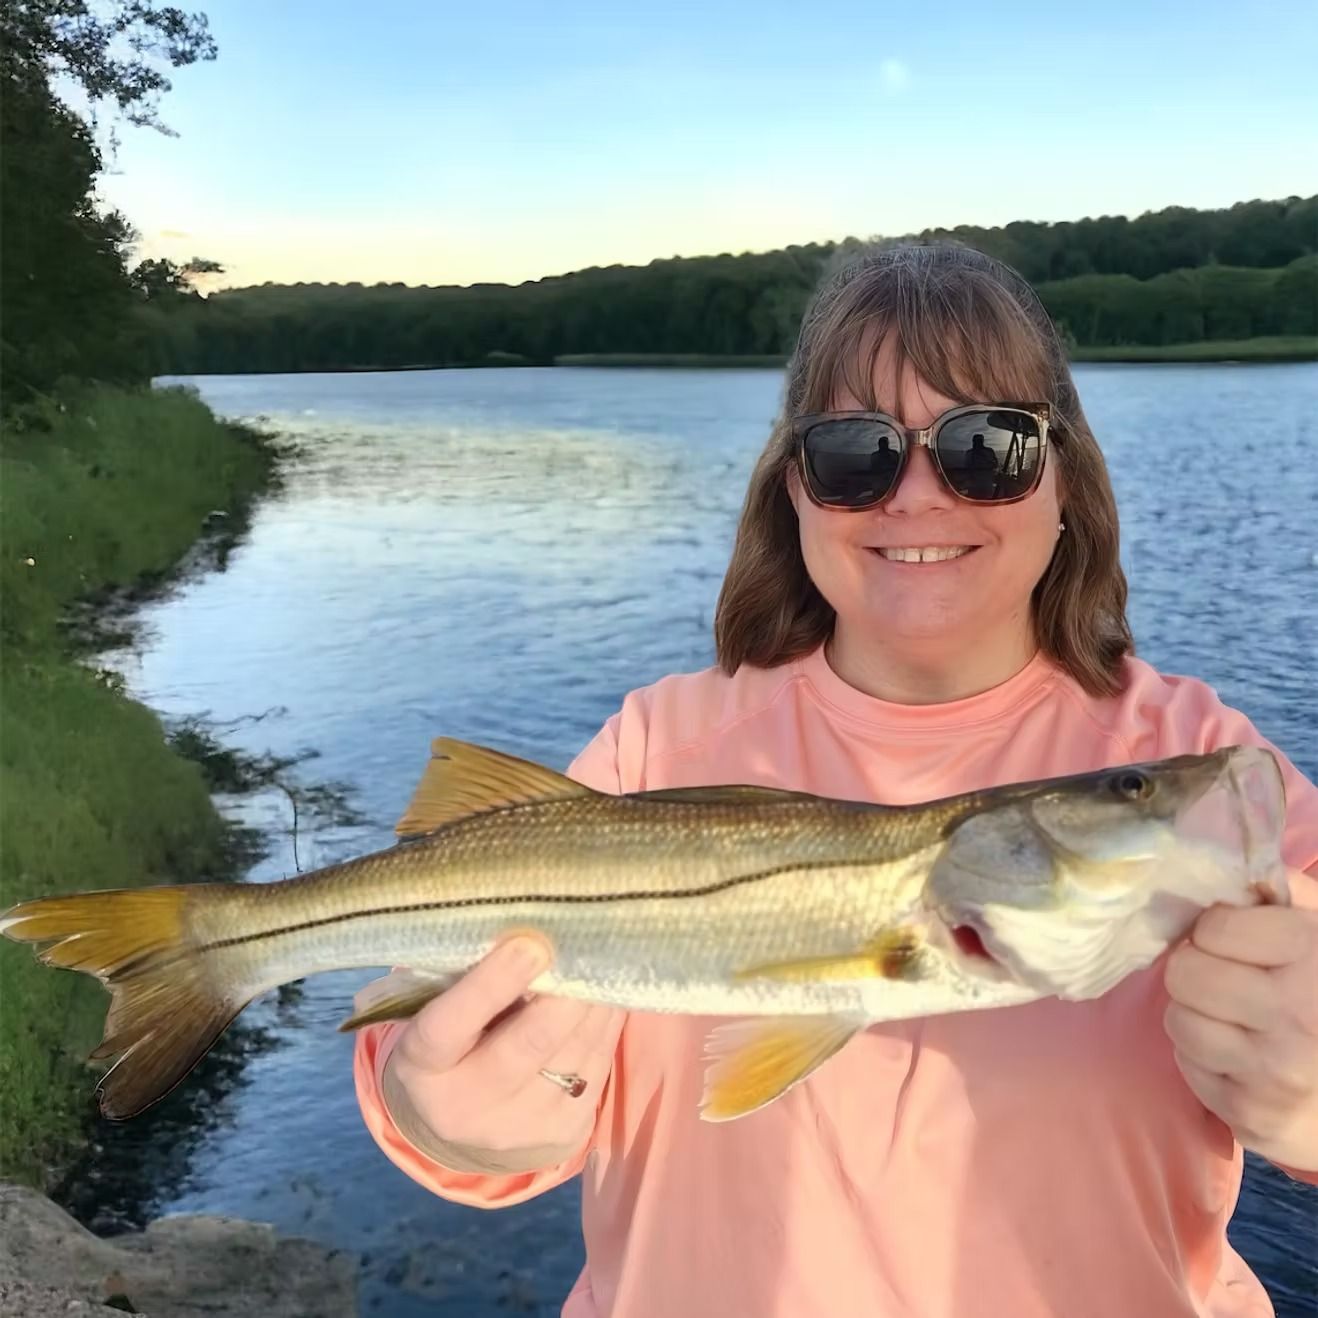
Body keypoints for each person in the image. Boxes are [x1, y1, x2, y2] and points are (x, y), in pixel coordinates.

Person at [353, 244, 1318, 1318]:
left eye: (985, 446)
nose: (915, 496)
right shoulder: (650, 748)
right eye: (856, 452)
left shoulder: (1207, 765)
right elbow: (428, 1050)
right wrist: (441, 1111)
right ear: (794, 490)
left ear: (1065, 480)